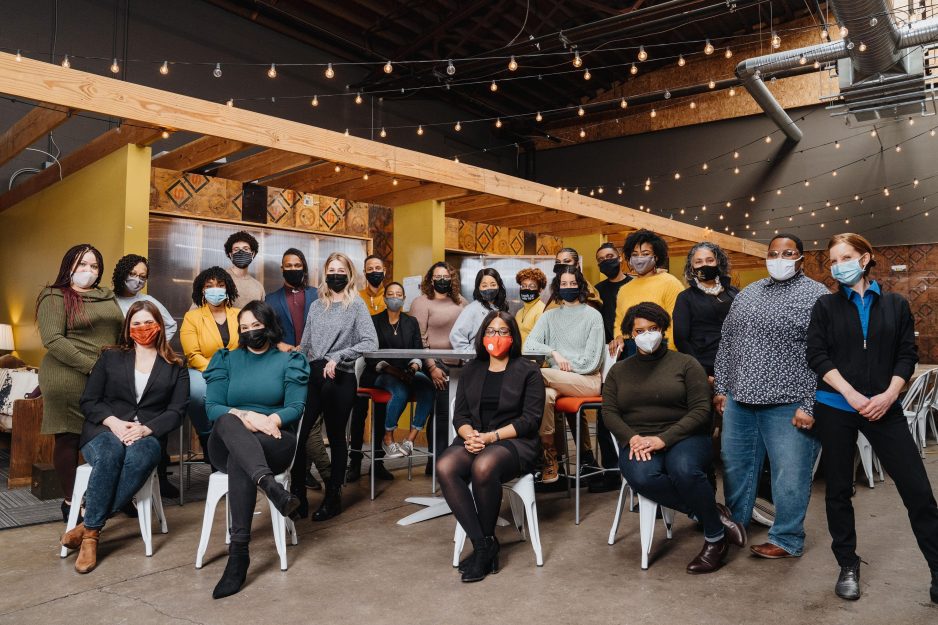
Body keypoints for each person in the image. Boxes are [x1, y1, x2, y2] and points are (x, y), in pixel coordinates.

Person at [806, 233, 938, 603]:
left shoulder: (895, 304)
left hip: (885, 407)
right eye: (833, 261)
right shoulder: (825, 306)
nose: (838, 266)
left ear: (865, 259)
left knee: (918, 490)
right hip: (836, 406)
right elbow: (817, 355)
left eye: (846, 257)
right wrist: (850, 394)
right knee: (838, 490)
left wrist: (890, 394)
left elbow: (907, 354)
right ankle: (847, 564)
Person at [602, 302, 746, 573]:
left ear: (663, 330)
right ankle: (714, 517)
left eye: (653, 328)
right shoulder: (619, 371)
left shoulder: (686, 364)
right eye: (640, 330)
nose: (647, 335)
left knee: (685, 470)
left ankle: (714, 540)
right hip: (639, 440)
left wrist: (663, 439)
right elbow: (609, 412)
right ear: (631, 334)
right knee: (643, 476)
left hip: (685, 436)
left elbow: (701, 411)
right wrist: (631, 438)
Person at [713, 233, 829, 559]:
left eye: (787, 253)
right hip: (741, 400)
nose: (779, 258)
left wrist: (811, 404)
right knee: (736, 468)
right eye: (773, 253)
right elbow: (727, 341)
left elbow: (826, 355)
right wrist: (722, 387)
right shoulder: (749, 292)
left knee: (790, 474)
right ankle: (735, 526)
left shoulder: (817, 296)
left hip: (789, 402)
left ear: (801, 258)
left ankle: (786, 538)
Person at [61, 301, 188, 573]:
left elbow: (177, 412)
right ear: (128, 328)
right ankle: (91, 537)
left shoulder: (176, 364)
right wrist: (115, 423)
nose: (143, 328)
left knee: (139, 459)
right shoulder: (111, 357)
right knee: (111, 453)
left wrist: (145, 429)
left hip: (148, 435)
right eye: (136, 323)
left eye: (148, 322)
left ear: (159, 326)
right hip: (104, 430)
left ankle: (88, 527)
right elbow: (90, 400)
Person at [203, 301, 310, 598]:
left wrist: (270, 420)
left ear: (270, 326)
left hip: (274, 438)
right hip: (226, 438)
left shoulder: (289, 360)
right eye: (244, 327)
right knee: (227, 421)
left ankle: (238, 555)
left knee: (241, 458)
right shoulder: (226, 359)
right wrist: (249, 417)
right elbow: (212, 407)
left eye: (257, 326)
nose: (251, 332)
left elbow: (295, 407)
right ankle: (270, 486)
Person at [436, 311, 545, 583]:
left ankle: (482, 550)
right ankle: (484, 545)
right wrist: (470, 435)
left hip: (514, 442)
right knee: (445, 466)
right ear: (482, 336)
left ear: (513, 336)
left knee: (484, 466)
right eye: (490, 331)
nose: (496, 336)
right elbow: (460, 415)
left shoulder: (528, 370)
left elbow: (530, 420)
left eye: (503, 331)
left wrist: (490, 438)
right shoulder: (471, 369)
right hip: (475, 437)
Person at [37, 244, 123, 522]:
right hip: (67, 375)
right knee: (69, 438)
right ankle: (71, 503)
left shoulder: (106, 296)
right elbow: (53, 339)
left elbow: (119, 333)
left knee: (108, 434)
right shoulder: (54, 295)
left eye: (94, 266)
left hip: (105, 376)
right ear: (68, 267)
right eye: (81, 264)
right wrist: (92, 367)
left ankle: (107, 497)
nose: (88, 270)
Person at [296, 252, 378, 521]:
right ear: (325, 274)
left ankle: (333, 497)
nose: (335, 275)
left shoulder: (356, 306)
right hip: (314, 373)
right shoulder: (316, 306)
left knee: (335, 435)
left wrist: (339, 356)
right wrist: (292, 362)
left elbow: (370, 342)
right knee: (299, 434)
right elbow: (305, 345)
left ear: (349, 274)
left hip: (340, 375)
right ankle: (297, 496)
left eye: (341, 270)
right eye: (331, 270)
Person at [524, 265, 605, 484]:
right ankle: (550, 457)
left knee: (533, 375)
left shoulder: (593, 316)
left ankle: (523, 444)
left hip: (587, 381)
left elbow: (591, 362)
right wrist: (553, 352)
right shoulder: (549, 317)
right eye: (563, 284)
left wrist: (562, 367)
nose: (568, 287)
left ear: (581, 286)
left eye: (573, 283)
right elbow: (528, 345)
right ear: (557, 287)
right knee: (545, 396)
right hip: (557, 380)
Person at [265, 249, 329, 491]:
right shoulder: (271, 299)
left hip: (317, 363)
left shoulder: (318, 294)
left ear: (304, 267)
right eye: (288, 265)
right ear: (282, 269)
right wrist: (279, 344)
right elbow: (266, 330)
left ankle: (307, 472)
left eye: (297, 264)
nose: (293, 269)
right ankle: (315, 473)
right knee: (298, 419)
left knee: (312, 420)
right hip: (287, 365)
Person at [362, 282, 435, 458]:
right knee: (401, 390)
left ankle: (410, 439)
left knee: (428, 388)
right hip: (381, 372)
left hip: (407, 371)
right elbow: (369, 355)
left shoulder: (411, 322)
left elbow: (418, 351)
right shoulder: (373, 321)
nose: (395, 297)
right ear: (385, 298)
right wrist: (395, 372)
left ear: (404, 298)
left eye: (398, 294)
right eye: (391, 294)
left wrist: (413, 368)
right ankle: (388, 437)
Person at [408, 262, 467, 477]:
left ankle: (454, 460)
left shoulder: (461, 301)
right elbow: (419, 339)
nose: (442, 280)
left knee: (459, 413)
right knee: (442, 412)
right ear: (431, 280)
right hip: (434, 364)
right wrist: (432, 367)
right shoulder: (422, 302)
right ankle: (438, 463)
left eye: (446, 276)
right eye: (438, 276)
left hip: (460, 365)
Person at [179, 267, 240, 463]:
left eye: (220, 285)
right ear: (202, 290)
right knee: (198, 393)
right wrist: (216, 372)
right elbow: (192, 353)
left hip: (236, 369)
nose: (216, 289)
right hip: (202, 369)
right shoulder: (192, 317)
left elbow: (246, 348)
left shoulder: (239, 315)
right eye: (209, 286)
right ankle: (207, 437)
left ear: (228, 288)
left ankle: (235, 439)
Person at [590, 242, 632, 493]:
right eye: (601, 259)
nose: (606, 261)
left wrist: (623, 336)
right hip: (606, 357)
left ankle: (634, 469)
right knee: (605, 414)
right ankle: (611, 470)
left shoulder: (633, 285)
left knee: (631, 413)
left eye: (610, 256)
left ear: (620, 257)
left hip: (631, 353)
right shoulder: (598, 290)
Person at [348, 255, 390, 481]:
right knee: (358, 410)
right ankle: (354, 462)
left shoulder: (390, 296)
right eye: (370, 268)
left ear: (385, 270)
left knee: (382, 411)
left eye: (378, 267)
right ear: (364, 273)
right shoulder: (357, 297)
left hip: (384, 362)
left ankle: (378, 462)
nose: (374, 271)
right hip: (360, 360)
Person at [611, 230, 685, 357]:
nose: (639, 258)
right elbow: (619, 322)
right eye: (635, 254)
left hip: (661, 346)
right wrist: (618, 337)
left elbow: (676, 323)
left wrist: (670, 354)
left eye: (645, 254)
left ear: (656, 257)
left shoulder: (671, 283)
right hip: (630, 349)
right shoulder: (624, 289)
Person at [673, 243, 739, 378]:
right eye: (699, 262)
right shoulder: (685, 297)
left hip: (736, 365)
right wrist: (700, 372)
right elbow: (681, 340)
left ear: (718, 262)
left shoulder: (735, 293)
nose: (705, 265)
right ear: (691, 267)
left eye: (710, 260)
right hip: (705, 368)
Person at [111, 254, 177, 341]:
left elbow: (171, 325)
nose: (137, 280)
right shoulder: (109, 299)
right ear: (122, 273)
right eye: (132, 274)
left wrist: (157, 346)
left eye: (142, 276)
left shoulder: (148, 301)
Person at [450, 268, 509, 352]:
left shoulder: (502, 307)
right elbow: (456, 336)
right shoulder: (472, 309)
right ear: (478, 288)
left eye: (493, 285)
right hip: (480, 359)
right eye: (484, 286)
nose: (489, 288)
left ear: (498, 286)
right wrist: (471, 355)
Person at [224, 231, 265, 308]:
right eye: (236, 249)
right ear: (230, 254)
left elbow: (261, 313)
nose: (241, 252)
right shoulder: (220, 279)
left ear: (252, 253)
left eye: (246, 249)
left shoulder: (258, 287)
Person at [514, 267, 546, 346]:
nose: (526, 289)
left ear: (540, 289)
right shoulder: (519, 312)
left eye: (532, 286)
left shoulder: (542, 311)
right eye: (523, 286)